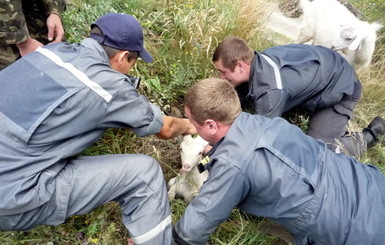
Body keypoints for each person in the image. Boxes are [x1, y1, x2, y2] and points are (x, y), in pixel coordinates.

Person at [0, 13, 196, 245]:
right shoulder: (107, 86)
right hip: (12, 195)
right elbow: (165, 128)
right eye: (134, 63)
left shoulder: (49, 52)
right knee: (145, 174)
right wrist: (190, 125)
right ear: (123, 56)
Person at [173, 78, 385, 245]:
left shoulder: (233, 164)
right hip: (369, 184)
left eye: (192, 122)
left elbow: (191, 232)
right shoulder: (267, 123)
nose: (191, 127)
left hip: (355, 231)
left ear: (211, 125)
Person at [212, 36, 385, 159]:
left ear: (241, 66)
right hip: (324, 69)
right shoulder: (259, 61)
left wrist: (216, 147)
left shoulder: (271, 92)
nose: (221, 77)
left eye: (223, 72)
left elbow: (259, 136)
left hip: (341, 87)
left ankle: (371, 135)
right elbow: (238, 98)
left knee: (319, 151)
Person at [0, 0, 66, 70]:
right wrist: (23, 42)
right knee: (12, 74)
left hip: (36, 15)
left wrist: (54, 11)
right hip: (7, 29)